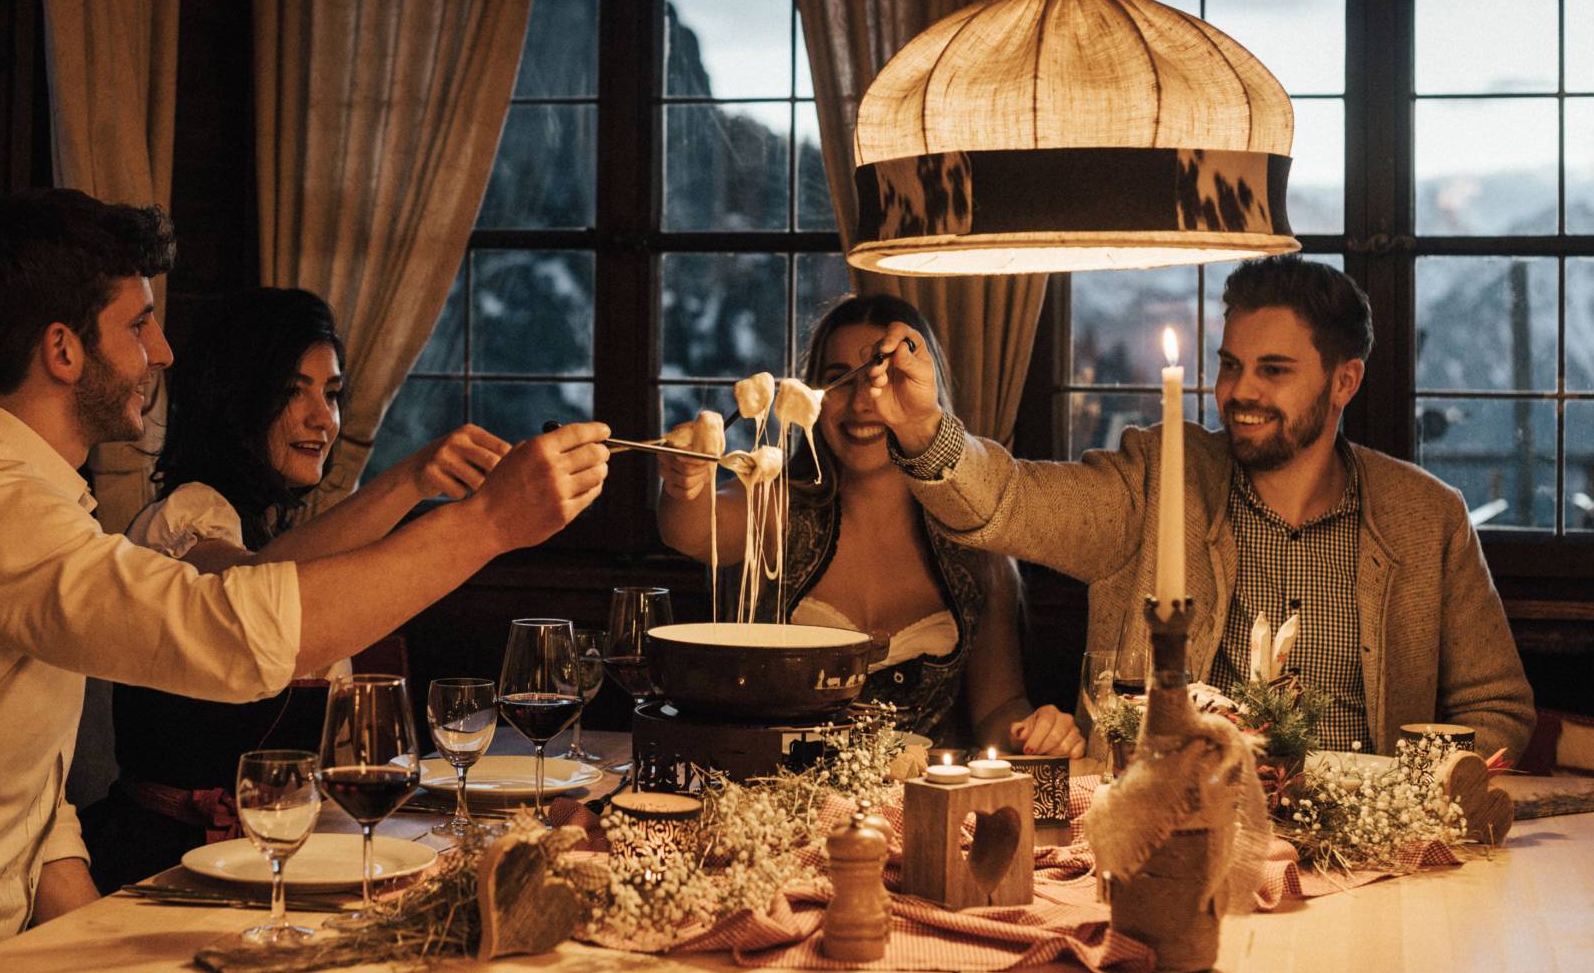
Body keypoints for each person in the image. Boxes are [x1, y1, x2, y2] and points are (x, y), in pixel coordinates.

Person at [0, 190, 610, 973]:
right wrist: (487, 523)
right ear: (64, 349)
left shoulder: (30, 503)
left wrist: (114, 953)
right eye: (139, 325)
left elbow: (29, 814)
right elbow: (229, 633)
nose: (163, 352)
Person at [858, 255, 1534, 760]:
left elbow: (1498, 706)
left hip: (1368, 858)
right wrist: (923, 430)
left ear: (1344, 380)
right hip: (1171, 833)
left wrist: (1413, 798)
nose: (1239, 390)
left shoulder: (1427, 518)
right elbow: (1011, 502)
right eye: (1231, 364)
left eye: (1273, 370)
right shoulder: (1156, 480)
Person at [84, 287, 511, 892]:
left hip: (269, 858)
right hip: (167, 869)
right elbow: (253, 593)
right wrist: (410, 482)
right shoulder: (184, 516)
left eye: (332, 393)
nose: (324, 418)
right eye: (294, 391)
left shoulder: (278, 531)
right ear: (237, 400)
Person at [656, 294, 1083, 756]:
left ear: (923, 394)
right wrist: (686, 483)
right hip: (773, 806)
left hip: (918, 810)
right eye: (839, 381)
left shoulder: (973, 535)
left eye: (885, 378)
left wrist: (1037, 735)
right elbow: (693, 531)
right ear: (813, 401)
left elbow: (998, 708)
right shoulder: (780, 502)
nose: (862, 403)